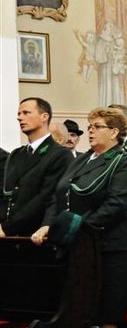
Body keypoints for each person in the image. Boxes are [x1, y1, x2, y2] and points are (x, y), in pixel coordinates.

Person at [31, 107, 127, 328]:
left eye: (97, 126)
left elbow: (118, 203)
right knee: (79, 304)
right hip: (79, 244)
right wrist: (50, 224)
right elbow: (59, 195)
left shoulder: (123, 161)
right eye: (89, 126)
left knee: (108, 308)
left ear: (114, 132)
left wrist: (79, 226)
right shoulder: (81, 159)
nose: (90, 131)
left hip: (111, 245)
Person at [0, 98, 73, 237]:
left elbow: (45, 197)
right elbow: (6, 195)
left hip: (35, 235)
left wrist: (7, 228)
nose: (19, 117)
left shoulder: (59, 154)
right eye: (19, 113)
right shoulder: (16, 154)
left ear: (44, 117)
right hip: (8, 234)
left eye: (26, 113)